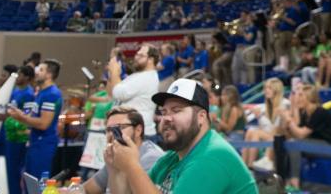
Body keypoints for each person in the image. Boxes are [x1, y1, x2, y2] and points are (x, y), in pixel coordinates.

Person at [102, 78, 257, 194]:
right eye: (164, 112)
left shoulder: (212, 156)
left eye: (176, 110)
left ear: (201, 117)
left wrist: (131, 166)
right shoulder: (172, 158)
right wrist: (115, 168)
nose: (166, 118)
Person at [84, 106, 164, 194]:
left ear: (138, 130)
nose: (112, 134)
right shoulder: (117, 155)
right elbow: (86, 189)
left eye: (120, 128)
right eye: (109, 130)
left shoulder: (151, 158)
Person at [279, 83, 331, 190]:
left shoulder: (319, 112)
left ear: (309, 97)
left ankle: (295, 182)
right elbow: (292, 134)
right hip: (316, 144)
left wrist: (288, 120)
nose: (297, 99)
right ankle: (285, 180)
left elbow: (300, 134)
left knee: (294, 144)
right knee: (287, 143)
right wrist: (292, 111)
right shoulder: (305, 113)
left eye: (300, 96)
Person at [8, 59, 63, 178]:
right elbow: (35, 117)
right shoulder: (42, 92)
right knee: (30, 181)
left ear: (49, 74)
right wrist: (20, 115)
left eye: (41, 70)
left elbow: (44, 123)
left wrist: (21, 117)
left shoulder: (51, 94)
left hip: (43, 144)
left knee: (37, 183)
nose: (36, 72)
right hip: (36, 141)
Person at [109, 45, 160, 134]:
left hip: (139, 134)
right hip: (131, 131)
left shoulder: (147, 77)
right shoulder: (139, 75)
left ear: (151, 59)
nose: (136, 57)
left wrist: (114, 72)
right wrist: (113, 74)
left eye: (141, 55)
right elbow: (112, 93)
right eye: (136, 55)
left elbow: (119, 94)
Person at [241, 78, 286, 169]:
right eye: (265, 88)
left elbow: (277, 129)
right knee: (250, 131)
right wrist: (260, 117)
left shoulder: (284, 104)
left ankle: (250, 167)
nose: (266, 90)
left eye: (269, 88)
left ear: (276, 89)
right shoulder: (266, 106)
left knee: (255, 132)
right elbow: (265, 128)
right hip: (269, 136)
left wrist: (261, 117)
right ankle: (243, 165)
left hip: (280, 137)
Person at [4, 65, 36, 194]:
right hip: (10, 136)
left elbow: (27, 116)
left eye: (20, 74)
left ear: (27, 77)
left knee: (17, 170)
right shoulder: (15, 91)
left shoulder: (29, 94)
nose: (17, 77)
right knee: (10, 170)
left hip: (20, 137)